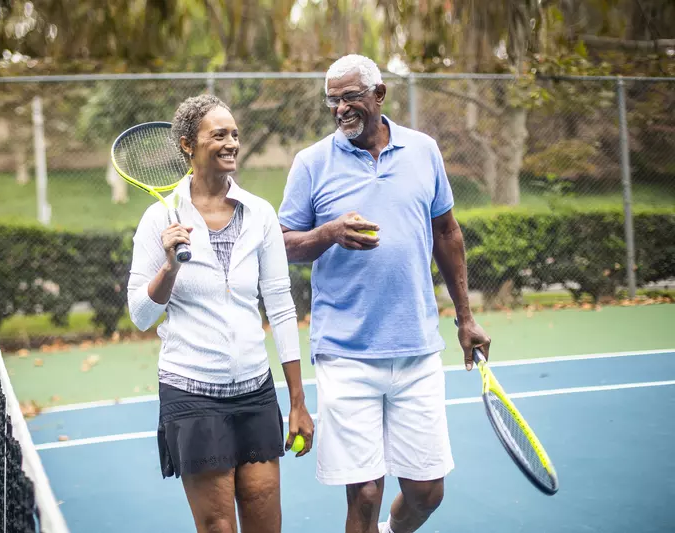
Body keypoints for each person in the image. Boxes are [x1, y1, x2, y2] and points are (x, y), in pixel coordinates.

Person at [278, 54, 491, 533]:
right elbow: (283, 244)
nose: (340, 108)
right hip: (345, 352)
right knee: (366, 494)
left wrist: (465, 318)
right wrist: (328, 233)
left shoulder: (423, 151)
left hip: (416, 348)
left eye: (350, 96)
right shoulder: (311, 163)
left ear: (379, 95)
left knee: (426, 492)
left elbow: (447, 232)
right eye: (332, 100)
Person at [128, 94, 314, 533]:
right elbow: (139, 314)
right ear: (187, 145)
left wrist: (298, 401)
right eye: (219, 135)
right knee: (218, 528)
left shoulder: (261, 215)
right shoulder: (159, 220)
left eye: (234, 134)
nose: (231, 142)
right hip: (192, 393)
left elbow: (282, 308)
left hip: (255, 390)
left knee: (267, 525)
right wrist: (169, 265)